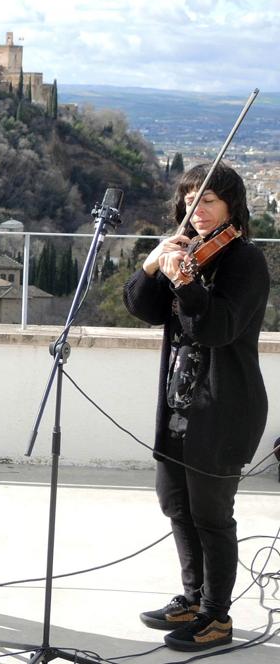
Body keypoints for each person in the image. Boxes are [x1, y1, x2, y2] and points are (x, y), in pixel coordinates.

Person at [123, 162, 269, 652]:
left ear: (232, 206)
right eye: (190, 199)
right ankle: (191, 597)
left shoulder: (243, 261)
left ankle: (216, 616)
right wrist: (152, 266)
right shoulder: (187, 253)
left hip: (225, 405)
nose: (197, 208)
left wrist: (186, 284)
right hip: (180, 401)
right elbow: (142, 309)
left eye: (208, 200)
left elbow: (217, 328)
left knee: (211, 514)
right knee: (176, 505)